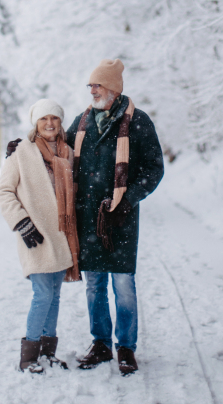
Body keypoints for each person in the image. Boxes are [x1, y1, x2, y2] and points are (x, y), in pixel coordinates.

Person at [66, 59, 164, 376]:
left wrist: (129, 199)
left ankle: (126, 348)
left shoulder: (137, 122)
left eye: (97, 85)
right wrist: (25, 146)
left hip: (121, 221)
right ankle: (101, 344)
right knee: (94, 285)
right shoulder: (81, 123)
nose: (92, 91)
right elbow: (57, 151)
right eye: (91, 85)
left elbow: (154, 168)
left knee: (123, 285)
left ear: (113, 88)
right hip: (88, 219)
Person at [0, 99, 80, 373]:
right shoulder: (21, 152)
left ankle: (47, 353)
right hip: (36, 235)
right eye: (43, 119)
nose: (49, 123)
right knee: (43, 294)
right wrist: (22, 223)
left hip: (61, 235)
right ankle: (29, 357)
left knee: (54, 296)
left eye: (54, 118)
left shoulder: (67, 153)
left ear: (60, 123)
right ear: (36, 123)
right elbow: (4, 192)